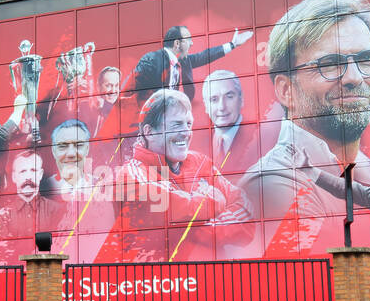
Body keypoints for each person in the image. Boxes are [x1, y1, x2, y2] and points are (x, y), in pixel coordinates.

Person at [240, 0, 370, 253]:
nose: (354, 77)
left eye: (366, 59)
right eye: (330, 64)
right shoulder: (273, 184)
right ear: (286, 90)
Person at [99, 89, 252, 262]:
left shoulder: (200, 162)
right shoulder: (130, 176)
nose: (186, 133)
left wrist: (194, 227)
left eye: (188, 124)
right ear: (149, 132)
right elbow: (174, 210)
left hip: (216, 281)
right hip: (160, 284)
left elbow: (246, 212)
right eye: (177, 124)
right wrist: (214, 198)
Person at [125, 25, 253, 104]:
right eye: (188, 40)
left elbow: (204, 56)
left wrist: (232, 44)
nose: (191, 44)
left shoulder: (183, 61)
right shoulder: (151, 60)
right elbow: (131, 91)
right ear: (177, 44)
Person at [196, 69, 261, 174]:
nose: (222, 107)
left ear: (241, 99)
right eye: (214, 99)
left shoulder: (259, 139)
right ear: (206, 106)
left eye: (229, 97)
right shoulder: (197, 144)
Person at [1, 151, 65, 241]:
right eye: (23, 171)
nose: (28, 177)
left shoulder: (57, 210)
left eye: (33, 170)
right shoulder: (3, 215)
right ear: (14, 177)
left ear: (40, 174)